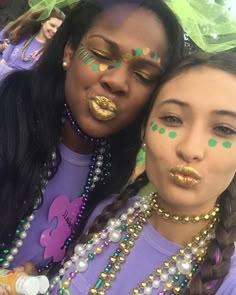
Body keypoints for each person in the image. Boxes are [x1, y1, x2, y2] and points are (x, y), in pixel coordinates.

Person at [0, 0, 184, 275]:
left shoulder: (114, 170)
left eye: (143, 74)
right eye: (101, 54)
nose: (118, 81)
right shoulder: (8, 117)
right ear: (70, 51)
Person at [48, 52, 236, 295]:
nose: (190, 149)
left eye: (223, 129)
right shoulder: (108, 213)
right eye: (172, 118)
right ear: (144, 130)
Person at [0, 7, 65, 77]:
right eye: (52, 25)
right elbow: (4, 61)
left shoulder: (51, 51)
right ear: (43, 21)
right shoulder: (23, 35)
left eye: (58, 29)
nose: (54, 30)